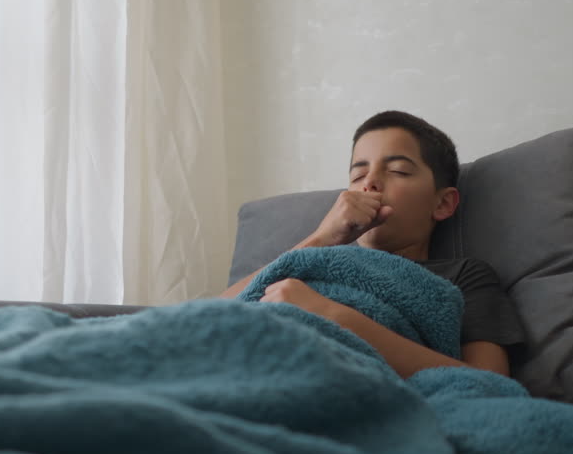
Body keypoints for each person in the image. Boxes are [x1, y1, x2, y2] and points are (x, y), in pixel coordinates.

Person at [220, 110, 524, 379]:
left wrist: (332, 314)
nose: (370, 183)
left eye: (397, 171)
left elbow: (490, 382)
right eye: (358, 174)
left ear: (442, 203)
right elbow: (213, 314)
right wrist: (323, 237)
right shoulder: (317, 257)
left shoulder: (464, 276)